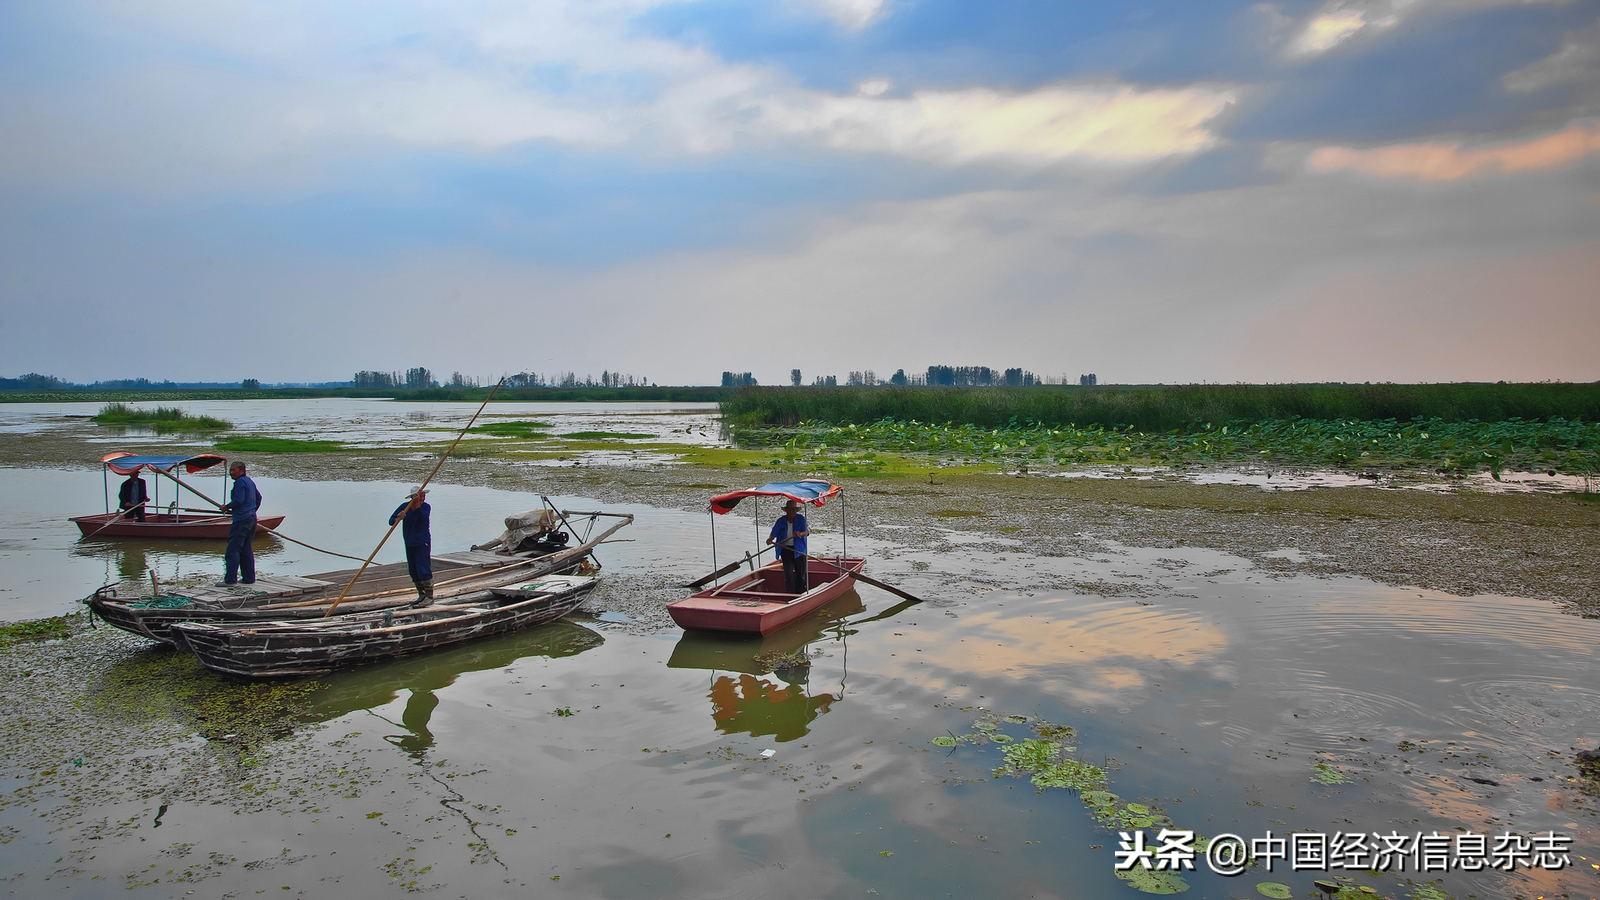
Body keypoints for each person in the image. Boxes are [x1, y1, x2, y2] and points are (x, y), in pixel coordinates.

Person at [218, 461, 261, 585]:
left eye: (233, 470)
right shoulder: (249, 481)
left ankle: (230, 580)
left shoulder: (240, 482)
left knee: (233, 550)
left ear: (242, 470)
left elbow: (239, 500)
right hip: (251, 519)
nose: (231, 473)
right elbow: (259, 498)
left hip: (242, 520)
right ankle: (249, 579)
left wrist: (226, 507)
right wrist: (251, 510)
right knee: (246, 549)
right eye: (230, 470)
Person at [390, 486, 433, 603]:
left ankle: (429, 597)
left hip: (422, 542)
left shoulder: (425, 507)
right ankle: (421, 595)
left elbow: (423, 519)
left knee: (423, 568)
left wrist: (417, 507)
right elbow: (391, 521)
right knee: (413, 570)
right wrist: (399, 517)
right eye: (420, 496)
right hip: (409, 542)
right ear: (413, 497)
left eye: (423, 495)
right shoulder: (405, 507)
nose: (423, 497)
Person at [766, 499, 810, 594]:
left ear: (796, 511)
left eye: (793, 510)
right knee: (789, 574)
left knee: (801, 575)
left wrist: (800, 533)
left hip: (799, 551)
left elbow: (807, 532)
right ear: (786, 511)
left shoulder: (801, 519)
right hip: (786, 549)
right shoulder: (781, 521)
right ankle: (790, 594)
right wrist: (770, 539)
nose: (791, 512)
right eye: (789, 510)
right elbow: (774, 533)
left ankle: (801, 594)